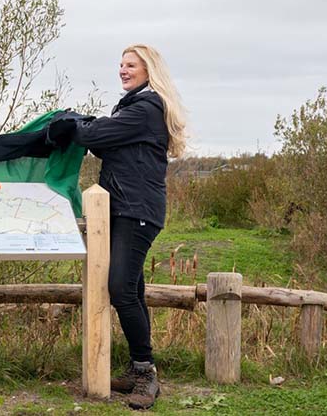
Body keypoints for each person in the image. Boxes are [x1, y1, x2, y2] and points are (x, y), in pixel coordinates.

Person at [48, 44, 186, 410]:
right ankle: (138, 367)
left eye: (131, 65)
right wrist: (86, 125)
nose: (123, 70)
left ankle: (145, 374)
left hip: (136, 210)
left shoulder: (146, 108)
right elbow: (102, 140)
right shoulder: (132, 108)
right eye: (121, 65)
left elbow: (94, 139)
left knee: (121, 288)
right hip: (125, 207)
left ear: (148, 70)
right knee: (132, 291)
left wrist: (76, 125)